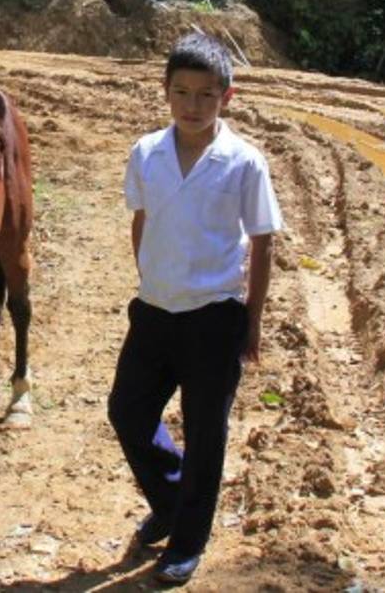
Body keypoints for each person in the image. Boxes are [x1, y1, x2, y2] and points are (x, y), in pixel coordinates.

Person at [107, 33, 283, 584]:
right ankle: (171, 498)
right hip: (155, 310)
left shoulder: (244, 162)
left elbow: (263, 240)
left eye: (207, 95)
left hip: (214, 317)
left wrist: (252, 319)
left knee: (207, 431)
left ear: (226, 97)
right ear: (165, 91)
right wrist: (151, 280)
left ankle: (186, 542)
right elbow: (142, 221)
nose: (192, 105)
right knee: (127, 412)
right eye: (181, 92)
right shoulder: (146, 153)